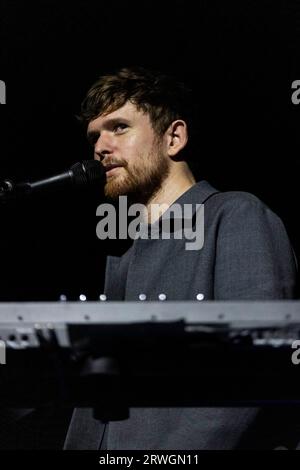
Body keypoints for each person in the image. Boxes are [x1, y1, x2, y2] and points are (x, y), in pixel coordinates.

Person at [64, 66, 298, 450]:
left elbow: (258, 361)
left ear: (173, 137)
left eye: (119, 127)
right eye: (94, 136)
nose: (100, 147)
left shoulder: (236, 214)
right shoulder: (122, 251)